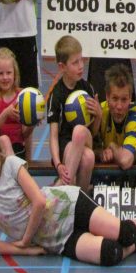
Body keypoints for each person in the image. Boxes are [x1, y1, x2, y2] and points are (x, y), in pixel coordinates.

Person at [0, 129, 136, 263]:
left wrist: (25, 240)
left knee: (124, 233)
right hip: (57, 240)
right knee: (110, 254)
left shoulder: (10, 165)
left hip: (68, 206)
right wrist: (28, 251)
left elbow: (39, 201)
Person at [47, 35, 102, 191]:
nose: (81, 66)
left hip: (87, 139)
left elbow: (94, 131)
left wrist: (98, 115)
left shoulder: (87, 88)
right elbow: (53, 135)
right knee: (88, 158)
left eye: (82, 60)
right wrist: (57, 163)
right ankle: (79, 202)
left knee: (79, 131)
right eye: (75, 62)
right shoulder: (56, 95)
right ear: (62, 67)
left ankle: (61, 190)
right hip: (66, 146)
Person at [95, 64, 136, 170]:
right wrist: (101, 152)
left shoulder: (135, 115)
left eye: (124, 99)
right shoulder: (100, 111)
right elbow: (87, 147)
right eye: (115, 98)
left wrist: (112, 146)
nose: (119, 106)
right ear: (107, 96)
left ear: (130, 98)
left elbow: (125, 161)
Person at [0, 47, 30, 159]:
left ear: (15, 74)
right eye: (0, 73)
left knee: (17, 150)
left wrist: (32, 123)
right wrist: (6, 113)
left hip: (18, 149)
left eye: (9, 73)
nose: (5, 77)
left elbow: (25, 134)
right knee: (4, 140)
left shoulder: (22, 95)